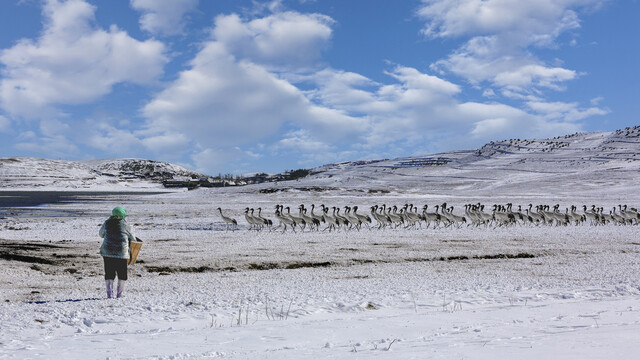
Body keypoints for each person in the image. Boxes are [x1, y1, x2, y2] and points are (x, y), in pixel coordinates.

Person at [99, 206, 136, 298]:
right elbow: (133, 239)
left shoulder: (107, 223)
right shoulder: (127, 226)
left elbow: (101, 234)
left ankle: (109, 294)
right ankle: (119, 294)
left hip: (107, 252)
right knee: (122, 273)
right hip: (121, 253)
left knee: (109, 273)